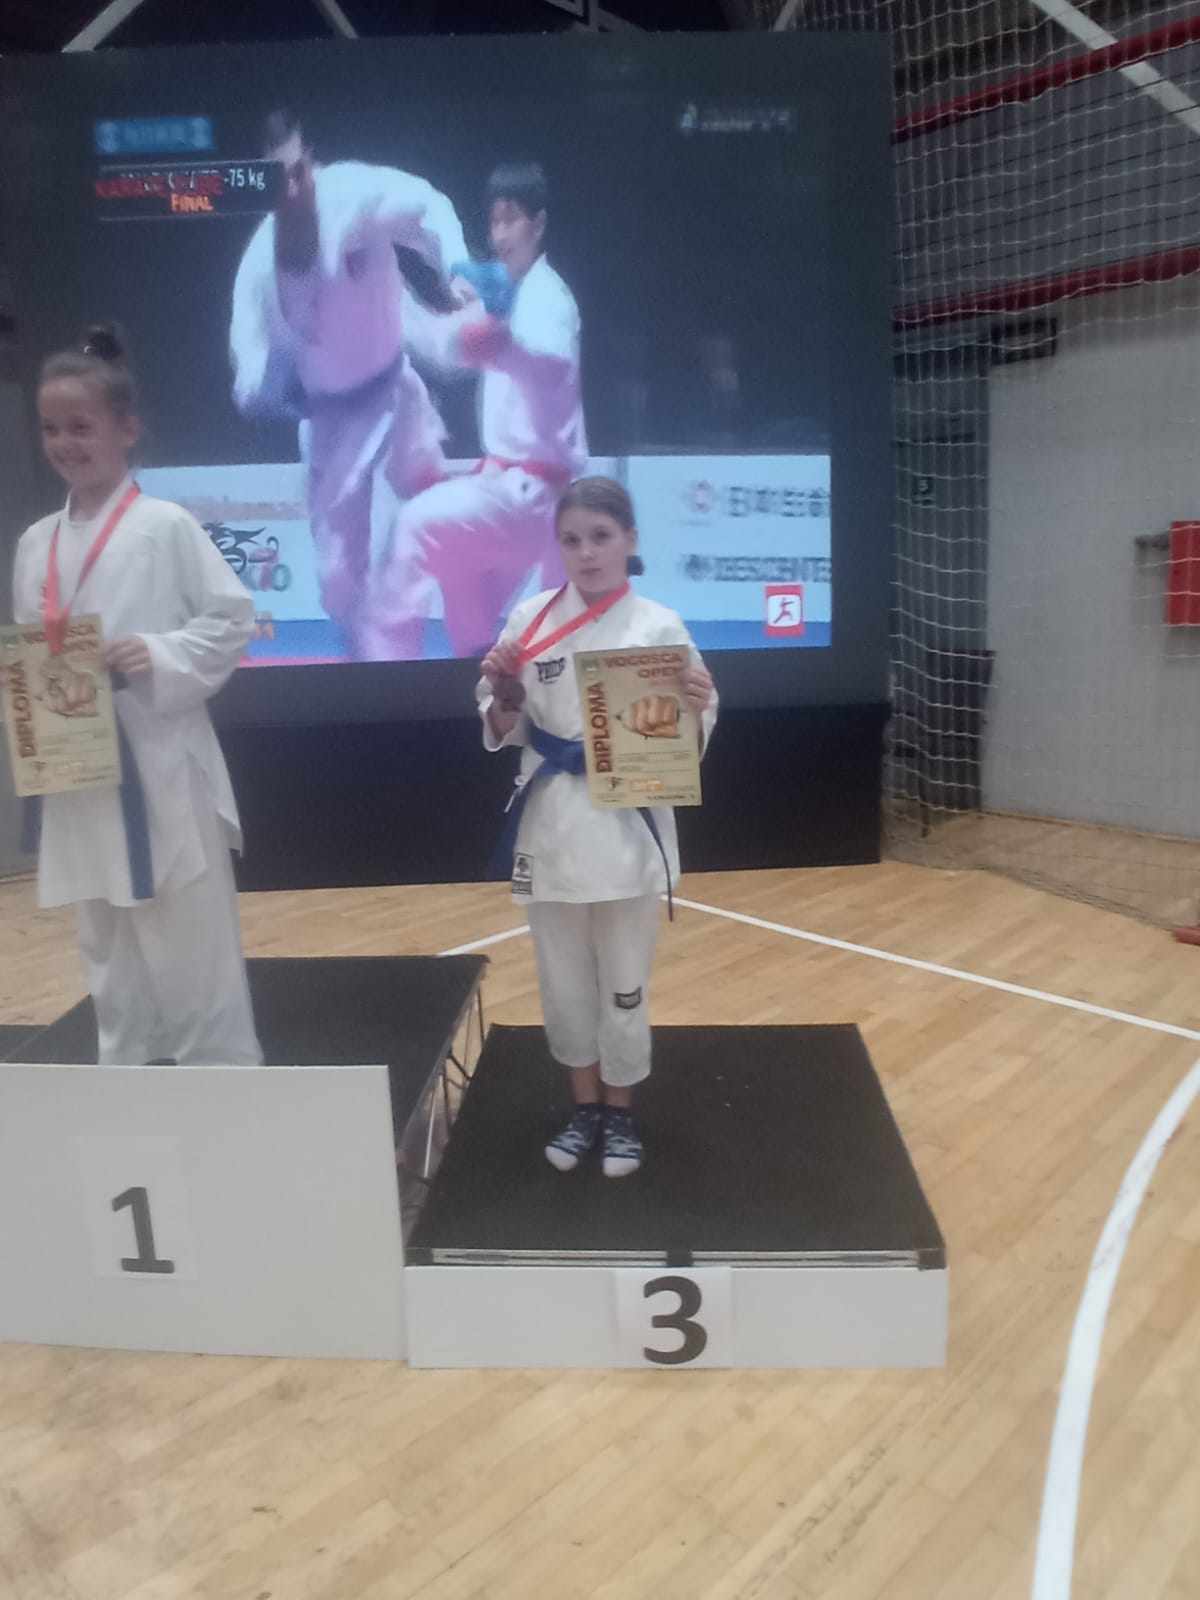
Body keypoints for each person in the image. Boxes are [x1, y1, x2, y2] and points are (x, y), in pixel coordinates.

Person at [11, 326, 262, 1068]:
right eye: (51, 429)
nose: (65, 443)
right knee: (108, 952)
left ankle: (220, 1087)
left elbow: (231, 620)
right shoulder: (34, 543)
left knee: (190, 948)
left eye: (81, 426)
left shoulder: (164, 526)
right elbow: (35, 649)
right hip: (79, 768)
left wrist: (156, 653)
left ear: (126, 429)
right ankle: (126, 1085)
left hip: (160, 762)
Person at [477, 477, 717, 1177]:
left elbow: (691, 729)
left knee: (624, 980)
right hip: (553, 823)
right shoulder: (530, 619)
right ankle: (583, 1108)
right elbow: (502, 720)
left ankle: (621, 1112)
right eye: (572, 540)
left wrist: (698, 702)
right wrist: (503, 696)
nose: (586, 553)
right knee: (563, 982)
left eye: (601, 537)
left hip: (628, 828)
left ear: (630, 540)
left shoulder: (660, 627)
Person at [229, 111, 468, 656]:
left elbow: (428, 206)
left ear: (309, 163)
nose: (293, 190)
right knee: (337, 582)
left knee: (416, 530)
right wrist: (269, 389)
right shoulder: (258, 270)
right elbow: (249, 378)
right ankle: (363, 663)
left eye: (297, 172)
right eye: (277, 181)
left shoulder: (354, 193)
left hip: (397, 391)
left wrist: (456, 267)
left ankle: (409, 655)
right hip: (330, 424)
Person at [359, 161, 588, 661]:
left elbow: (549, 366)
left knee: (415, 526)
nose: (500, 234)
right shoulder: (507, 298)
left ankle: (385, 677)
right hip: (513, 491)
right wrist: (388, 294)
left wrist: (505, 348)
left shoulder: (548, 298)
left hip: (534, 496)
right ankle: (476, 676)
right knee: (465, 598)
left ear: (538, 224)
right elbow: (445, 345)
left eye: (512, 219)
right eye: (494, 221)